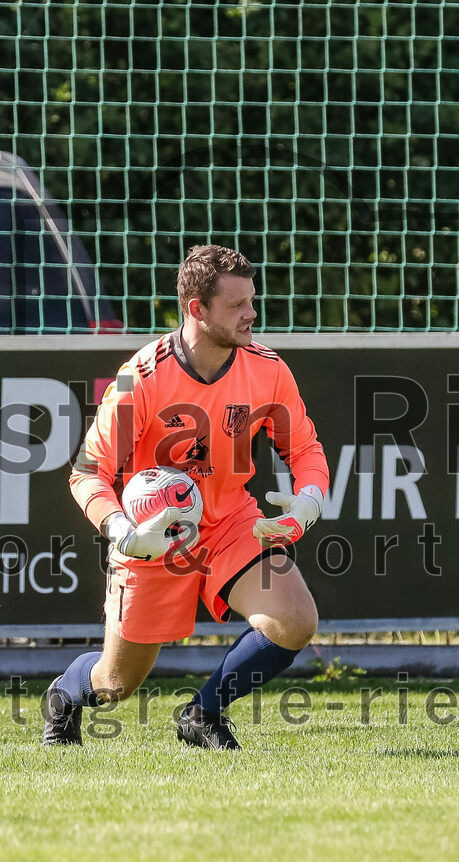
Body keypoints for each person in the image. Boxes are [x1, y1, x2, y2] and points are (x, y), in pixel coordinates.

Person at [44, 245, 329, 750]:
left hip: (229, 523)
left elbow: (304, 448)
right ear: (196, 309)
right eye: (238, 305)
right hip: (150, 539)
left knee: (295, 621)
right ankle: (66, 694)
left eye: (252, 301)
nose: (252, 314)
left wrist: (309, 499)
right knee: (115, 684)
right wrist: (124, 534)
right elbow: (88, 473)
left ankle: (203, 713)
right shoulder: (140, 379)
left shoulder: (267, 369)